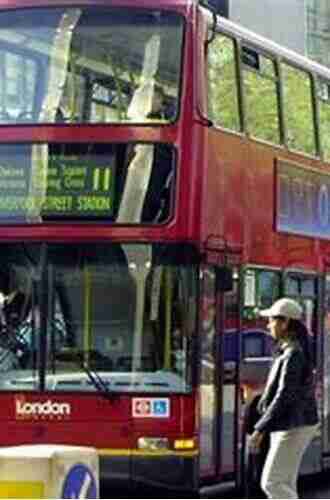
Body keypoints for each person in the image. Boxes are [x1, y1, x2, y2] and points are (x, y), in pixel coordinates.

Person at [248, 298, 319, 499]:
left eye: (271, 320)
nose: (268, 325)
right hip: (289, 424)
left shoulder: (293, 354)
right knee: (284, 482)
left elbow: (285, 395)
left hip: (293, 425)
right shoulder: (288, 350)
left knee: (272, 483)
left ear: (285, 322)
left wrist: (260, 428)